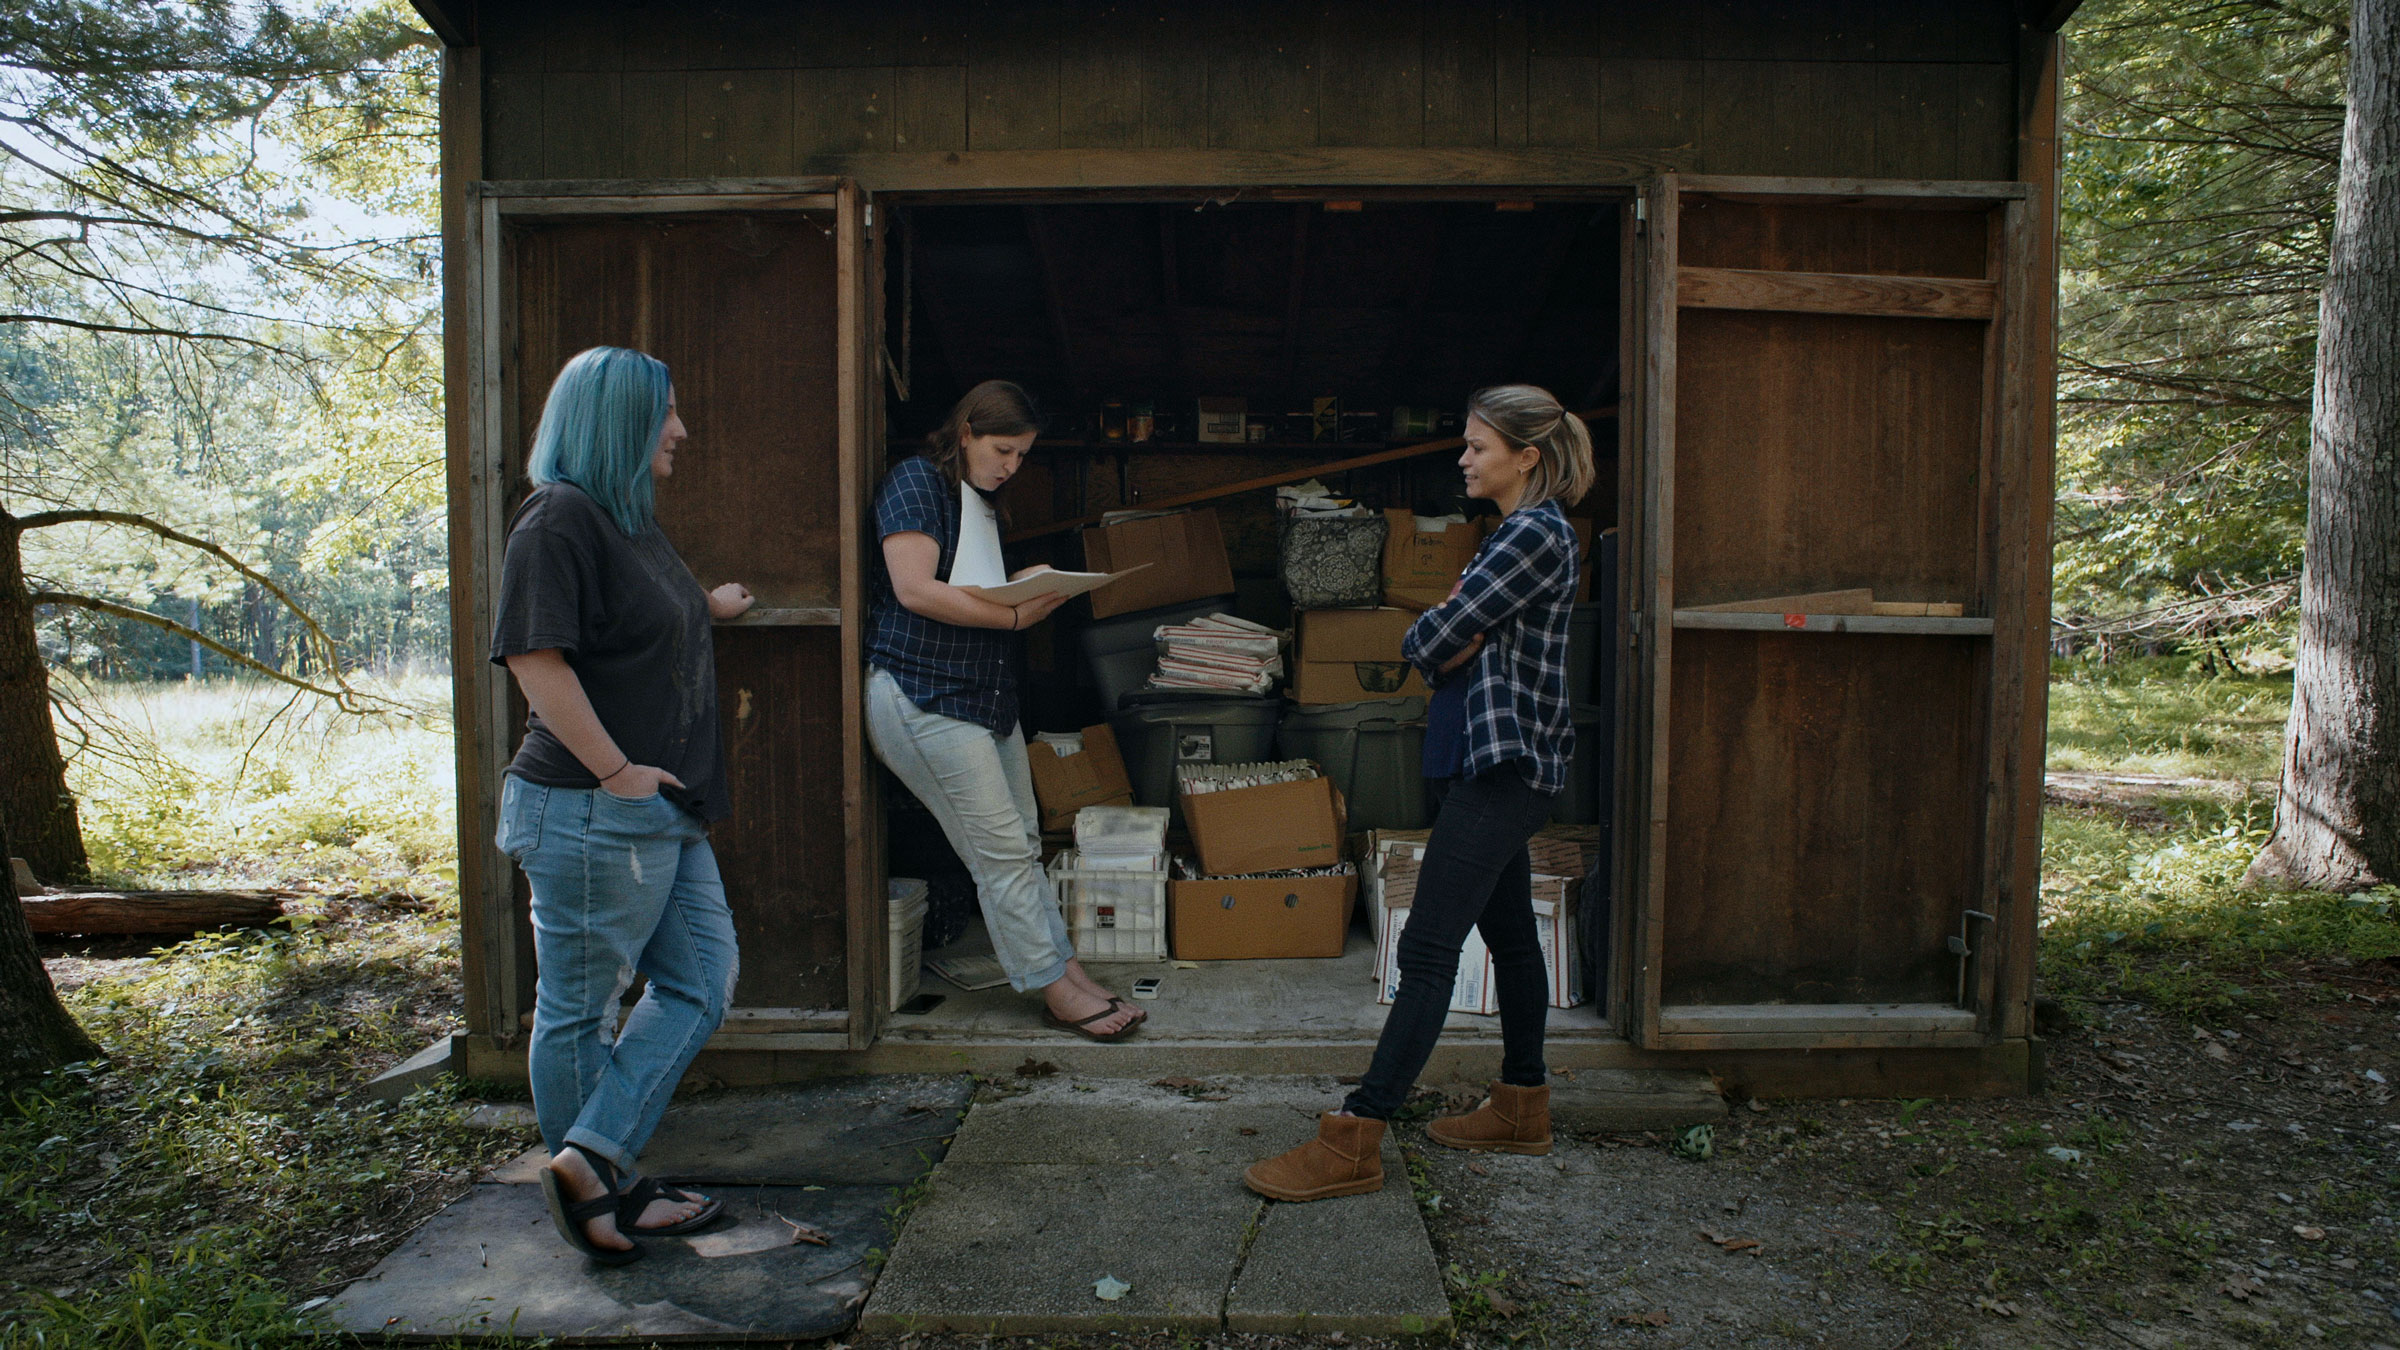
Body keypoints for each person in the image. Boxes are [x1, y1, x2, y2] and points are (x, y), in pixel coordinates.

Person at [1244, 384, 1594, 1201]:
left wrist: (1446, 634)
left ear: (1526, 457)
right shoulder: (1512, 536)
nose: (1464, 458)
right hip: (1485, 763)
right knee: (1510, 938)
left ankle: (1355, 1138)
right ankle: (1521, 1105)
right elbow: (1440, 647)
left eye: (1478, 447)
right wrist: (1448, 639)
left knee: (1428, 950)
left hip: (1499, 770)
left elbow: (1425, 636)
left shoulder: (1530, 536)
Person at [490, 345, 757, 1264]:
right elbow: (537, 659)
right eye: (666, 414)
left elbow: (639, 618)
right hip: (591, 808)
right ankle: (601, 1196)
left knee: (700, 983)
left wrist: (707, 606)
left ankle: (587, 1160)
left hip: (661, 812)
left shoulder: (626, 520)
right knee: (581, 1006)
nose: (680, 430)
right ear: (618, 424)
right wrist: (617, 772)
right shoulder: (555, 521)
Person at [865, 379, 1144, 1042]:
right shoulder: (916, 482)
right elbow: (914, 590)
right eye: (1002, 449)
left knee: (1021, 843)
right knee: (998, 854)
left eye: (1021, 455)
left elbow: (965, 587)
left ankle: (1065, 970)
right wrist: (1016, 611)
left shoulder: (979, 501)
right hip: (921, 692)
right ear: (965, 432)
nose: (1010, 466)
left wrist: (1019, 586)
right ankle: (1055, 990)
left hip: (980, 697)